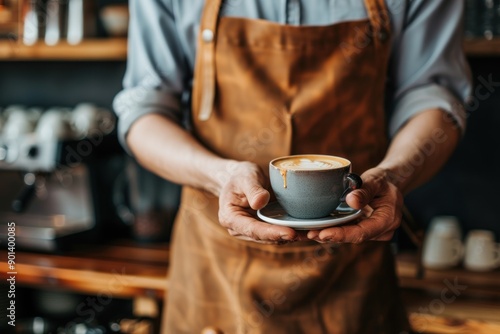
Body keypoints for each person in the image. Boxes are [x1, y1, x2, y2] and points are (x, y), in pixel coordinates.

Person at [113, 0, 472, 333]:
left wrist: (393, 175)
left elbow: (433, 95)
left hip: (352, 264)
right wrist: (219, 175)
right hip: (215, 264)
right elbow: (145, 111)